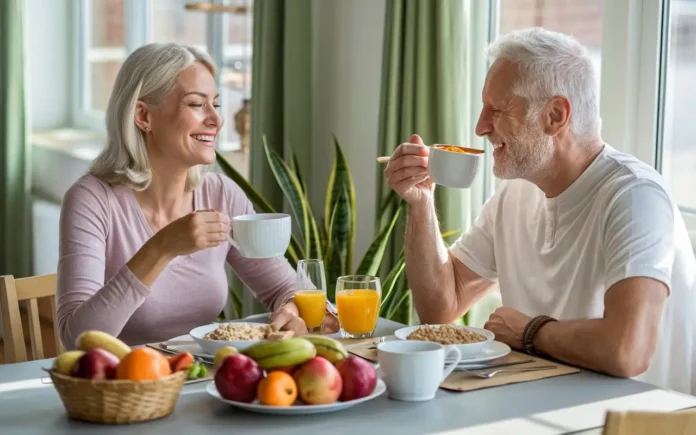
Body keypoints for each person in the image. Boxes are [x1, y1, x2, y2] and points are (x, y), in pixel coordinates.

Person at [383, 28, 696, 394]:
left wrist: (530, 332)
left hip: (632, 421)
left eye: (497, 109)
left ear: (555, 115)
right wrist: (421, 203)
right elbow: (441, 307)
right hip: (544, 405)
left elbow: (628, 350)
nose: (480, 127)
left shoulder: (633, 196)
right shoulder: (515, 194)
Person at [57, 43, 337, 348]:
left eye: (215, 104)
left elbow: (289, 289)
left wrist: (293, 309)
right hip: (124, 388)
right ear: (143, 116)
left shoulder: (222, 196)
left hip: (204, 380)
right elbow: (77, 339)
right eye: (195, 104)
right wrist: (161, 248)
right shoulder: (93, 200)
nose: (216, 121)